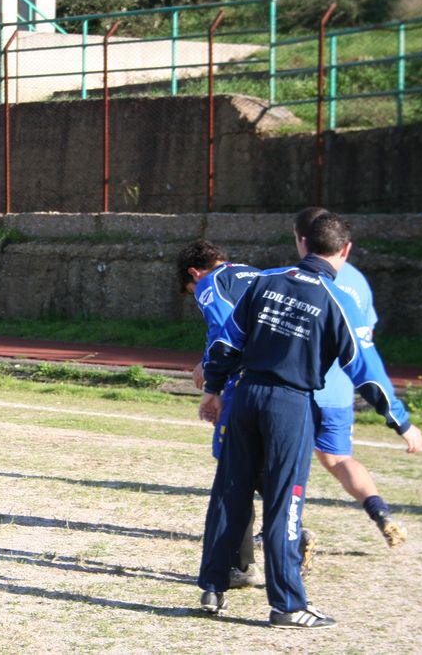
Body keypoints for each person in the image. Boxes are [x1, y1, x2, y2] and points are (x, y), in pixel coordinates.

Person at [196, 212, 422, 628]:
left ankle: (212, 586)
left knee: (231, 489)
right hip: (290, 403)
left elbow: (226, 341)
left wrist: (213, 388)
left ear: (302, 242)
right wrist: (401, 422)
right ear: (346, 250)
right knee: (285, 500)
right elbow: (367, 372)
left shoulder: (265, 281)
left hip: (245, 396)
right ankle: (287, 604)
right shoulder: (338, 300)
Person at [293, 207, 405, 547]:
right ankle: (380, 512)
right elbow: (365, 336)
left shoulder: (296, 278)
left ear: (302, 240)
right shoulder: (357, 280)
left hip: (299, 388)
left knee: (281, 462)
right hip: (340, 392)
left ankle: (290, 531)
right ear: (343, 245)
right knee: (340, 459)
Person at [176, 240, 266, 588]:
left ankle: (242, 566)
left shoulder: (210, 283)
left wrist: (211, 375)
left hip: (244, 383)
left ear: (194, 273)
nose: (196, 295)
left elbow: (223, 329)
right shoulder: (259, 274)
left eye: (191, 290)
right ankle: (290, 532)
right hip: (284, 385)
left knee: (234, 470)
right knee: (265, 466)